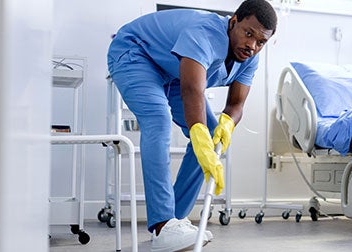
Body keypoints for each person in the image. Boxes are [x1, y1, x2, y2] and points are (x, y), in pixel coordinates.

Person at [107, 1, 276, 251]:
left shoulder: (249, 57)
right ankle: (164, 224)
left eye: (261, 41)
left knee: (210, 133)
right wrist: (198, 132)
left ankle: (174, 219)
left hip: (171, 71)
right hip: (136, 52)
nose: (252, 45)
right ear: (233, 22)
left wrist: (226, 124)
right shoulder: (205, 32)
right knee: (158, 120)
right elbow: (191, 90)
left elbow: (236, 104)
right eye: (248, 33)